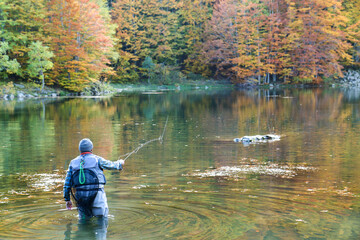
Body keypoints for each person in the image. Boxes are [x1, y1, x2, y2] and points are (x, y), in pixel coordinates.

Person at [63, 138, 124, 220]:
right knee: (102, 220)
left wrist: (67, 199)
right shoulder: (97, 159)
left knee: (84, 222)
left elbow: (67, 184)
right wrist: (120, 163)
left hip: (81, 197)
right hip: (98, 196)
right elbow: (112, 165)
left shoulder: (73, 163)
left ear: (80, 150)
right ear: (91, 149)